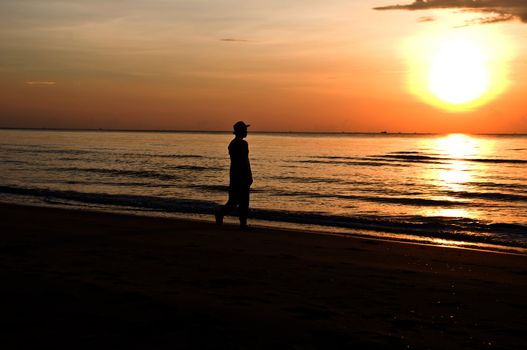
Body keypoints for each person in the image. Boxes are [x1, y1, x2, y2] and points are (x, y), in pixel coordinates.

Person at [215, 121, 253, 229]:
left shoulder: (235, 144)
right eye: (245, 130)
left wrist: (248, 176)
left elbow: (244, 161)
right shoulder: (239, 144)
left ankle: (242, 224)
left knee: (241, 201)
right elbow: (242, 162)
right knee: (236, 202)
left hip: (238, 175)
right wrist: (245, 176)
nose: (246, 132)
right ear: (240, 131)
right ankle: (220, 213)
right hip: (239, 176)